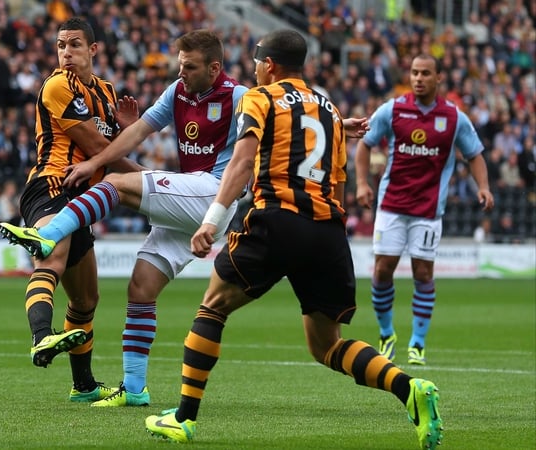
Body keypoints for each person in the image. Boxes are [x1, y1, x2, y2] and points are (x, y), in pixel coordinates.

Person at [143, 30, 443, 450]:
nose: (253, 71)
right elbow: (337, 184)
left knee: (213, 307)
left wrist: (212, 219)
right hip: (326, 231)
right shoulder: (331, 111)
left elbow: (244, 161)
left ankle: (183, 418)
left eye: (255, 64)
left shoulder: (258, 98)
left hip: (277, 218)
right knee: (326, 345)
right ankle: (408, 389)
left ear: (269, 65)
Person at [1, 29, 249, 407]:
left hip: (214, 193)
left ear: (215, 68)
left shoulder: (239, 96)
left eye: (191, 67)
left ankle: (49, 234)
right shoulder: (177, 92)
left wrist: (97, 166)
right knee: (141, 288)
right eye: (180, 65)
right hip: (190, 202)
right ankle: (135, 390)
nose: (181, 73)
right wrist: (115, 141)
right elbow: (137, 134)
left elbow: (283, 121)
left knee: (116, 183)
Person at [0, 17, 142, 403]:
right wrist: (151, 178)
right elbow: (98, 148)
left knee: (86, 300)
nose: (66, 52)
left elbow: (110, 149)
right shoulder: (57, 85)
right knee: (53, 259)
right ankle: (41, 336)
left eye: (75, 45)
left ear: (93, 50)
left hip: (82, 202)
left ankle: (83, 387)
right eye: (61, 45)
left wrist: (127, 129)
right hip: (51, 184)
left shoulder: (108, 93)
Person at [354, 54, 494, 366]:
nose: (418, 78)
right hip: (391, 205)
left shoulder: (454, 117)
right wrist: (362, 183)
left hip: (429, 210)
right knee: (381, 271)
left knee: (423, 273)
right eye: (415, 72)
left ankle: (418, 342)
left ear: (438, 78)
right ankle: (387, 333)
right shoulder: (393, 109)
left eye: (425, 73)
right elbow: (365, 144)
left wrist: (483, 186)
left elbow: (475, 154)